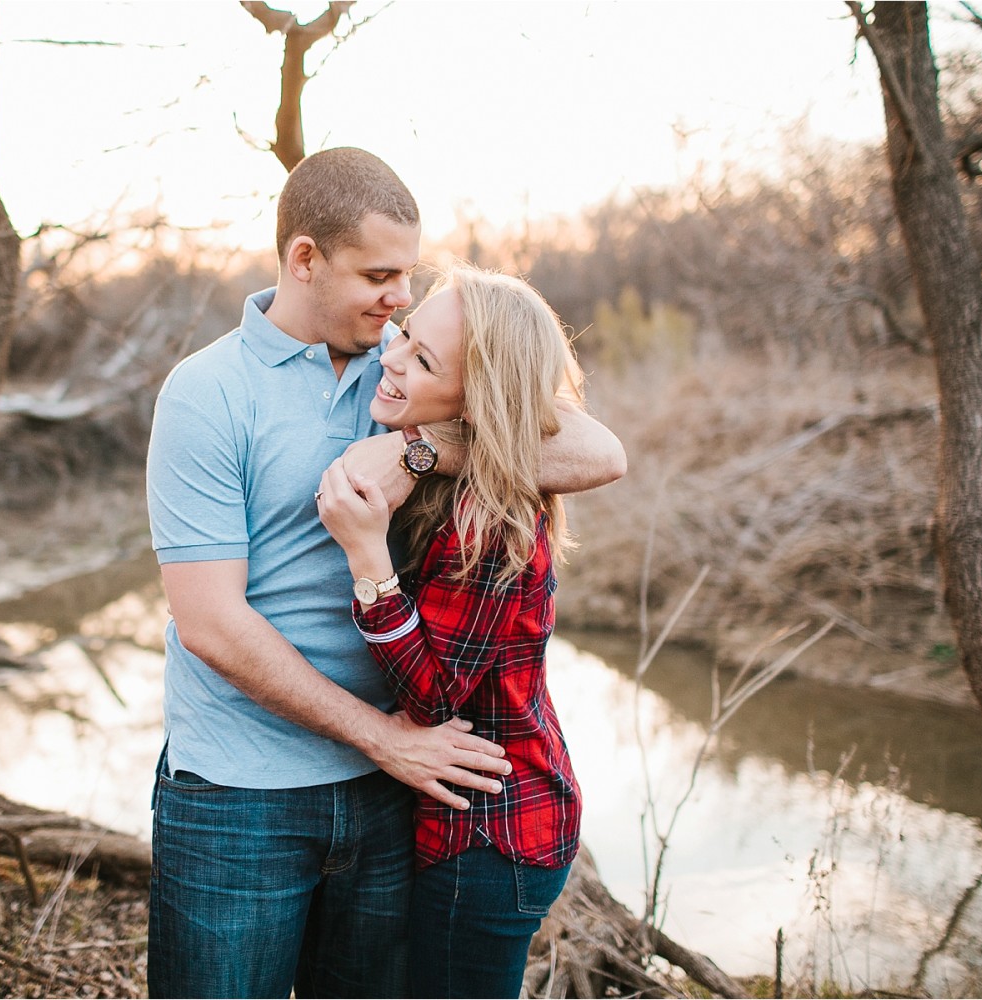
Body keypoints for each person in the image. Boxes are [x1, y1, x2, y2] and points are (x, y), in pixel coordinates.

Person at [145, 147, 625, 998]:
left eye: (407, 274)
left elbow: (597, 449)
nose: (400, 298)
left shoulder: (405, 364)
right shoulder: (206, 392)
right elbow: (210, 622)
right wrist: (383, 738)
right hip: (240, 797)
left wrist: (417, 449)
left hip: (389, 793)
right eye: (379, 274)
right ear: (304, 260)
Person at [316, 266, 591, 998]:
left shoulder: (488, 523)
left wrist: (368, 558)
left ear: (476, 400)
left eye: (425, 361)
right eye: (406, 336)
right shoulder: (450, 472)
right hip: (477, 822)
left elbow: (436, 699)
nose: (392, 356)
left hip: (492, 833)